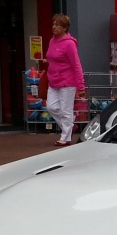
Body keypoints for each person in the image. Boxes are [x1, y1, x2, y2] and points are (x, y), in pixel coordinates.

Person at [42, 13, 85, 146]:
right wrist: (47, 60)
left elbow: (76, 65)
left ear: (65, 28)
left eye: (58, 25)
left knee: (66, 110)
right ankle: (69, 126)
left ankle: (65, 138)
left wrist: (81, 86)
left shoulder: (70, 44)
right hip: (53, 80)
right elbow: (52, 56)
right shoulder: (52, 40)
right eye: (53, 24)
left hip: (67, 82)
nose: (54, 27)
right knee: (51, 107)